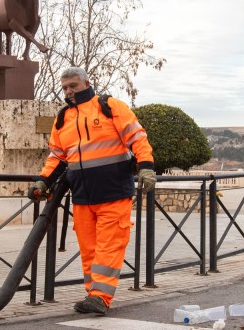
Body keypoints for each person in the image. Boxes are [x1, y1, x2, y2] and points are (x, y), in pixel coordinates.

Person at [28, 67, 156, 315]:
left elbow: (138, 138)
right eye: (65, 87)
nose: (68, 91)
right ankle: (93, 294)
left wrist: (146, 168)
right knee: (89, 249)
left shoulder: (110, 106)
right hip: (83, 195)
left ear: (86, 83)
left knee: (109, 246)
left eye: (73, 86)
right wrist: (42, 181)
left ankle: (101, 296)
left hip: (114, 191)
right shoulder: (63, 118)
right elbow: (57, 156)